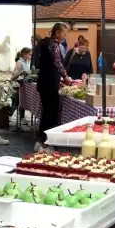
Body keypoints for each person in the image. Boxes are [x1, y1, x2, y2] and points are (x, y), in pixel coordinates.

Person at [35, 23, 70, 152]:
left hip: (44, 80)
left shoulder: (45, 43)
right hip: (49, 81)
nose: (64, 37)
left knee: (46, 112)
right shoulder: (53, 45)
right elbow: (57, 62)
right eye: (63, 34)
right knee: (51, 112)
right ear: (57, 33)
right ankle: (45, 143)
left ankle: (41, 140)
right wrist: (65, 77)